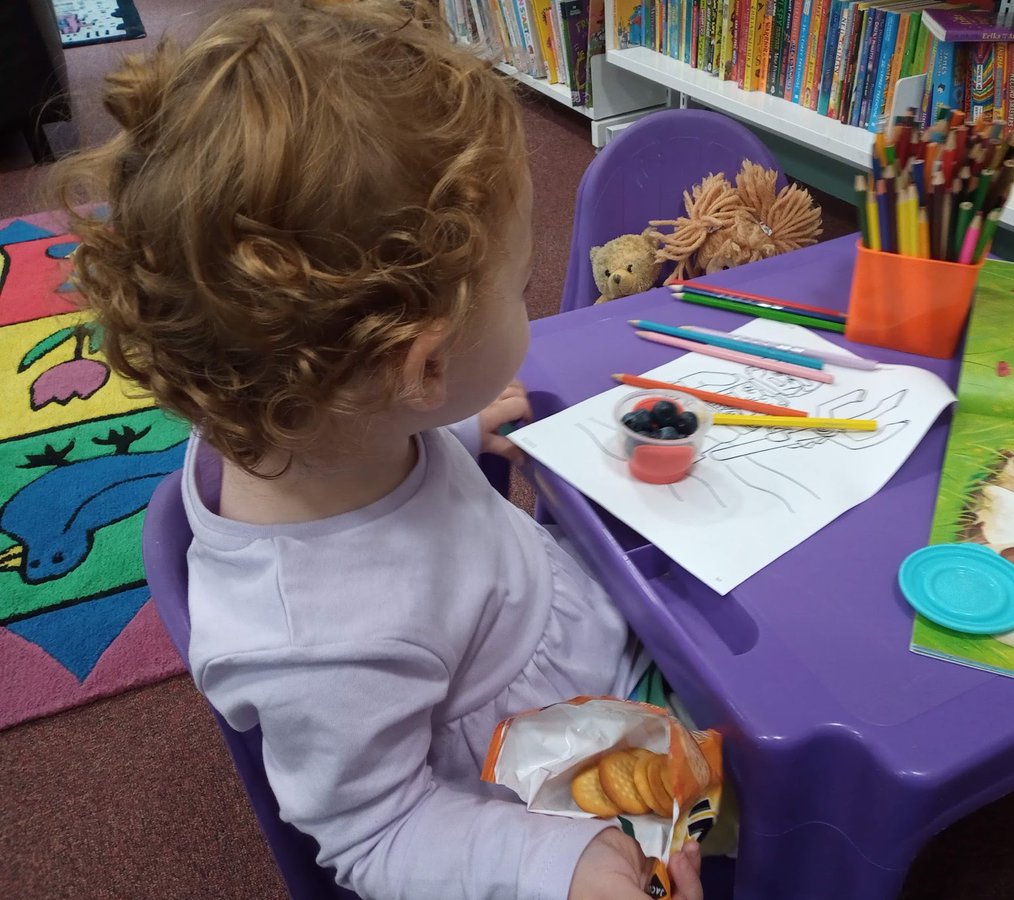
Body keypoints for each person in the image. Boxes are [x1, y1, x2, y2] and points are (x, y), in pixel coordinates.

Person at [54, 2, 703, 897]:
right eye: (518, 288)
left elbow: (353, 394)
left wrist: (457, 429)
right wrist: (560, 864)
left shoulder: (301, 415)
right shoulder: (313, 643)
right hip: (542, 782)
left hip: (553, 625)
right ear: (423, 366)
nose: (529, 302)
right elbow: (375, 831)